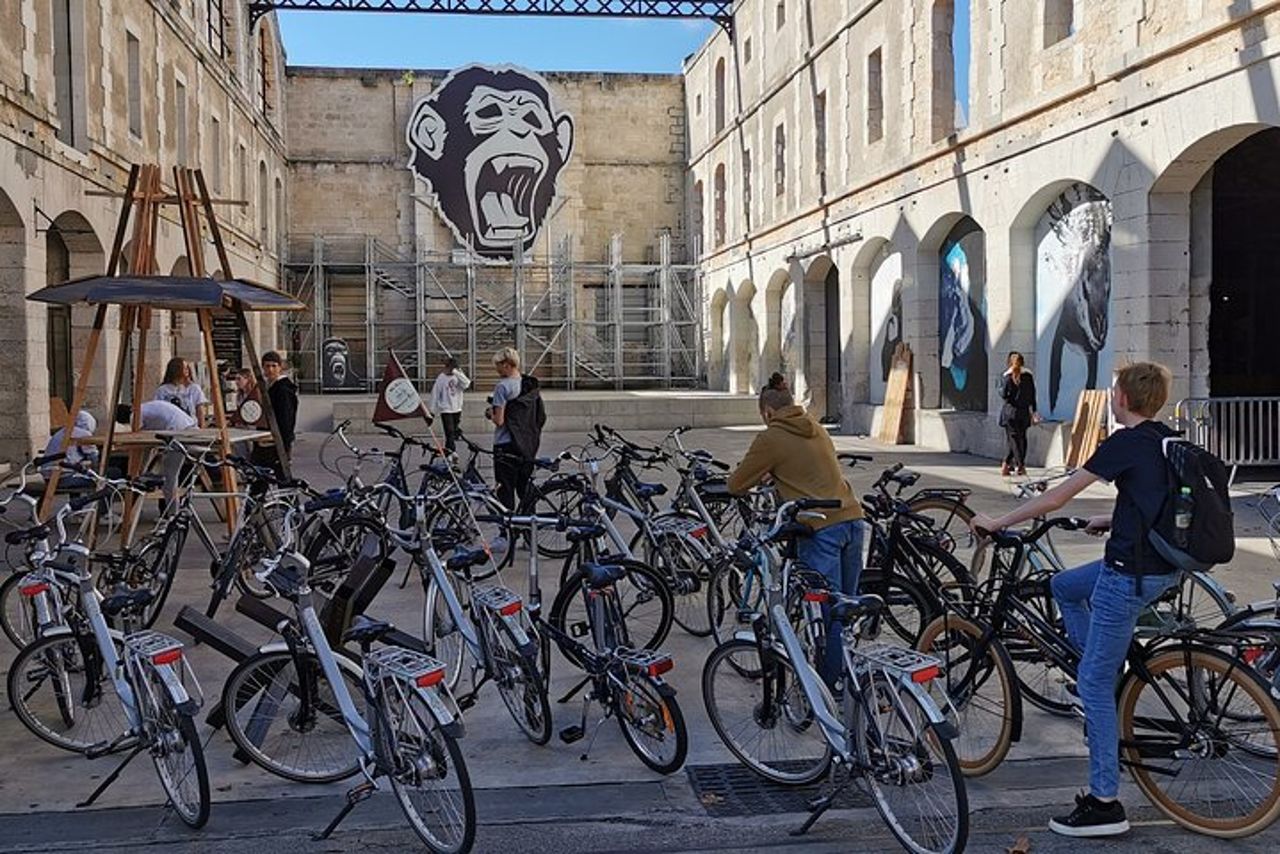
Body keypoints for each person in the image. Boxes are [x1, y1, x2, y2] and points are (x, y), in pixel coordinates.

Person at [970, 362, 1182, 839]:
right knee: (1064, 586)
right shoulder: (1167, 439)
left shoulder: (1125, 441)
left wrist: (999, 522)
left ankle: (1105, 802)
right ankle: (1098, 668)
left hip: (1129, 574)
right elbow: (1157, 498)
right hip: (1163, 567)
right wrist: (1113, 517)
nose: (1111, 398)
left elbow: (1055, 499)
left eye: (1113, 392)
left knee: (1093, 687)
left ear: (1123, 399)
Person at [726, 386, 865, 690]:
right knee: (845, 610)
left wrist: (766, 470)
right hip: (853, 519)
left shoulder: (771, 436)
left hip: (820, 528)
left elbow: (736, 484)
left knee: (827, 613)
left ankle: (827, 691)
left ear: (768, 412)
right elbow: (807, 467)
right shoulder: (815, 426)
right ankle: (849, 676)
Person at [486, 347, 545, 510]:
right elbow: (541, 417)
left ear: (506, 365)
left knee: (505, 489)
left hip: (505, 444)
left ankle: (507, 529)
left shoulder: (502, 387)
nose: (496, 369)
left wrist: (490, 413)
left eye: (497, 365)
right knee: (524, 488)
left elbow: (499, 420)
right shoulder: (529, 385)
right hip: (526, 444)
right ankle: (528, 527)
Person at [138, 399, 198, 506]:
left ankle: (173, 513)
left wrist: (141, 469)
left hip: (179, 434)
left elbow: (141, 441)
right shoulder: (146, 407)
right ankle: (170, 511)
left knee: (169, 478)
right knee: (167, 474)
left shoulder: (137, 414)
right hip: (189, 427)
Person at [999, 351, 1040, 477]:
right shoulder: (1028, 376)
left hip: (1011, 413)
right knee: (1021, 439)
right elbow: (1033, 395)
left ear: (1010, 362)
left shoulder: (1008, 376)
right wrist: (1034, 411)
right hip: (1024, 412)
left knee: (1013, 440)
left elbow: (1004, 395)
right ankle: (1007, 465)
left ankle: (1020, 465)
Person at [258, 351, 298, 470]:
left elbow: (286, 418)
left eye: (274, 366)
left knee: (278, 475)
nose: (270, 370)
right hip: (269, 438)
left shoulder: (282, 389)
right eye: (267, 366)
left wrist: (283, 442)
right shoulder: (271, 386)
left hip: (277, 439)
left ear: (280, 367)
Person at [42, 410, 100, 490]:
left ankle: (74, 501)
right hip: (62, 477)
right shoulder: (83, 434)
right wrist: (98, 473)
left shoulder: (62, 431)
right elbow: (93, 456)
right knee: (98, 482)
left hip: (48, 477)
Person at [429, 356, 471, 454]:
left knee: (454, 431)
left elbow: (467, 383)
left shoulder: (458, 377)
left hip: (457, 408)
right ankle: (451, 452)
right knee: (449, 432)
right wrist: (432, 410)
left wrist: (456, 372)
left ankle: (454, 439)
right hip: (446, 409)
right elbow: (435, 394)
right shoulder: (441, 378)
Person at [155, 357, 209, 426]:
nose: (187, 370)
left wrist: (201, 426)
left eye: (187, 367)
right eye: (184, 368)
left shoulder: (194, 388)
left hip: (191, 426)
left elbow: (200, 410)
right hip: (170, 427)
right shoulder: (163, 390)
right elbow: (159, 409)